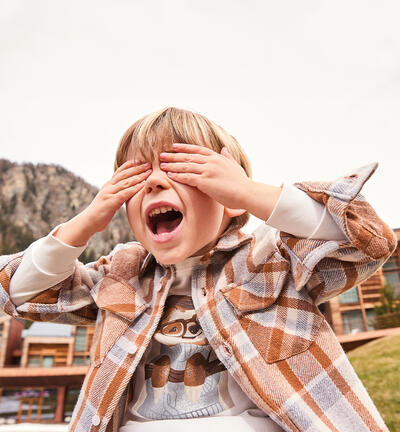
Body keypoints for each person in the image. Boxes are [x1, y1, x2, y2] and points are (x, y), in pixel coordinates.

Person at [0, 107, 396, 432]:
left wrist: (249, 193)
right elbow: (18, 293)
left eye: (181, 168)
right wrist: (86, 221)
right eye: (135, 176)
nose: (154, 181)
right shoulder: (120, 275)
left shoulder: (271, 260)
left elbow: (365, 240)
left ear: (230, 197)